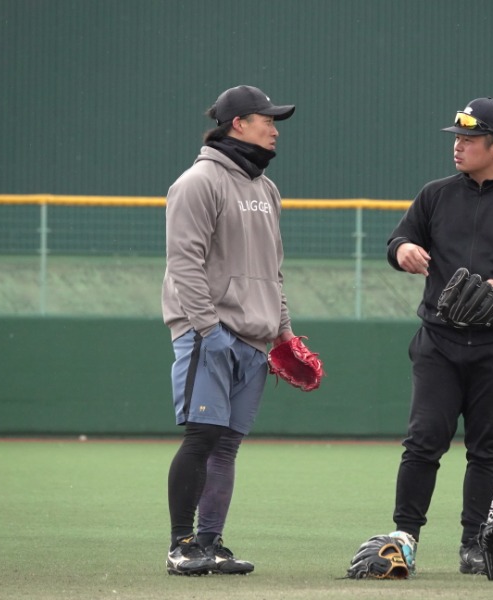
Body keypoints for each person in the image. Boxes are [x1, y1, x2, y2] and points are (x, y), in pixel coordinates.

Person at [385, 96, 493, 575]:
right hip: (439, 340)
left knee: (487, 449)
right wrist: (404, 251)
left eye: (468, 139)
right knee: (423, 441)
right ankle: (405, 539)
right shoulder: (436, 194)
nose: (457, 147)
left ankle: (475, 544)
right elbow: (398, 240)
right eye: (456, 138)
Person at [161, 85, 297, 576]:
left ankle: (211, 544)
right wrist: (207, 328)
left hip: (255, 338)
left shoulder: (266, 189)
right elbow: (184, 264)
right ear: (238, 124)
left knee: (227, 444)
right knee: (202, 436)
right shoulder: (198, 182)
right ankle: (181, 545)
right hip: (207, 332)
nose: (275, 128)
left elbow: (273, 270)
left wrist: (283, 334)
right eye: (267, 119)